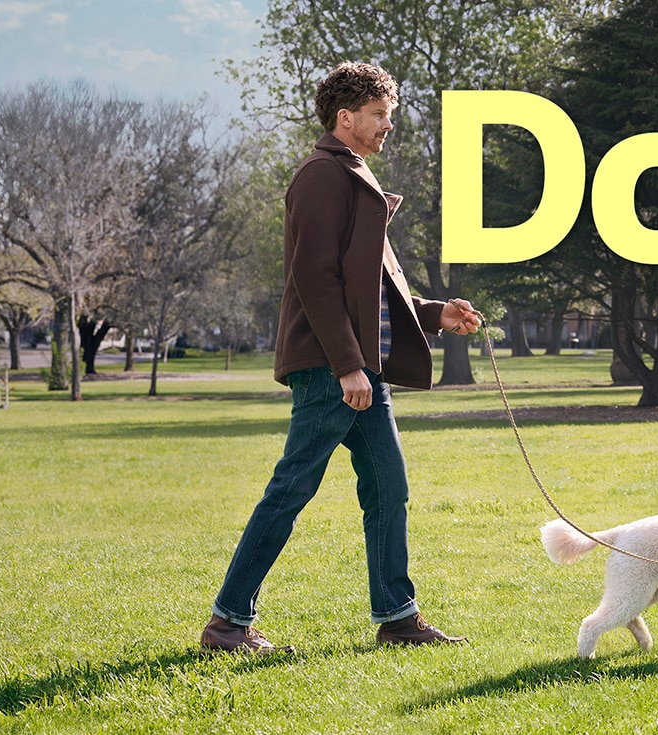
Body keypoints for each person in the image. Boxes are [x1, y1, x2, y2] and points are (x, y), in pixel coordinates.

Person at [200, 62, 483, 653]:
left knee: (387, 489)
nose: (387, 126)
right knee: (292, 489)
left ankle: (398, 618)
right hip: (337, 369)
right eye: (379, 115)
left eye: (390, 115)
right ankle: (228, 622)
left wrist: (433, 314)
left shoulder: (354, 176)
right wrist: (347, 365)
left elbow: (369, 284)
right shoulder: (322, 176)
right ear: (345, 116)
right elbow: (315, 279)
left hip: (360, 368)